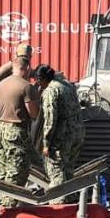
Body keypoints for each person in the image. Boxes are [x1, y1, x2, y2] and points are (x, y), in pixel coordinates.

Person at [33, 64, 85, 201]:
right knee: (68, 170)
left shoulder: (51, 91)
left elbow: (50, 120)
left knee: (56, 170)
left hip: (62, 138)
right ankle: (71, 200)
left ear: (42, 79)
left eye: (38, 81)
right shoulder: (67, 85)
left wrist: (46, 144)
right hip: (77, 134)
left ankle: (58, 203)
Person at [0, 57, 40, 207]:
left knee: (4, 170)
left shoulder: (1, 84)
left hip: (0, 129)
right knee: (17, 171)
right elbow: (33, 113)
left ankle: (0, 203)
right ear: (27, 68)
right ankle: (9, 206)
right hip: (16, 131)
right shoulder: (26, 86)